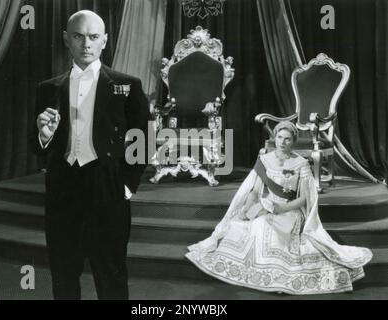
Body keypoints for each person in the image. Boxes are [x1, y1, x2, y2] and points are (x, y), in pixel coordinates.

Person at [30, 10, 150, 299]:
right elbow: (35, 145)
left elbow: (144, 139)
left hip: (107, 187)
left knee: (111, 275)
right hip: (63, 189)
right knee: (63, 274)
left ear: (105, 41)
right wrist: (43, 138)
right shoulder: (48, 89)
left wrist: (126, 186)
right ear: (66, 40)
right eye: (78, 36)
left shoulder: (128, 85)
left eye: (94, 37)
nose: (86, 43)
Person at [186, 121, 373, 295]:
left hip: (290, 211)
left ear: (293, 141)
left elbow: (304, 199)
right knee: (250, 226)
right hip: (266, 206)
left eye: (287, 139)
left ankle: (277, 275)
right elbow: (254, 191)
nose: (282, 142)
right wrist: (247, 209)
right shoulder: (265, 159)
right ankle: (257, 271)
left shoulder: (301, 163)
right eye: (279, 137)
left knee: (269, 229)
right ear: (275, 138)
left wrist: (282, 209)